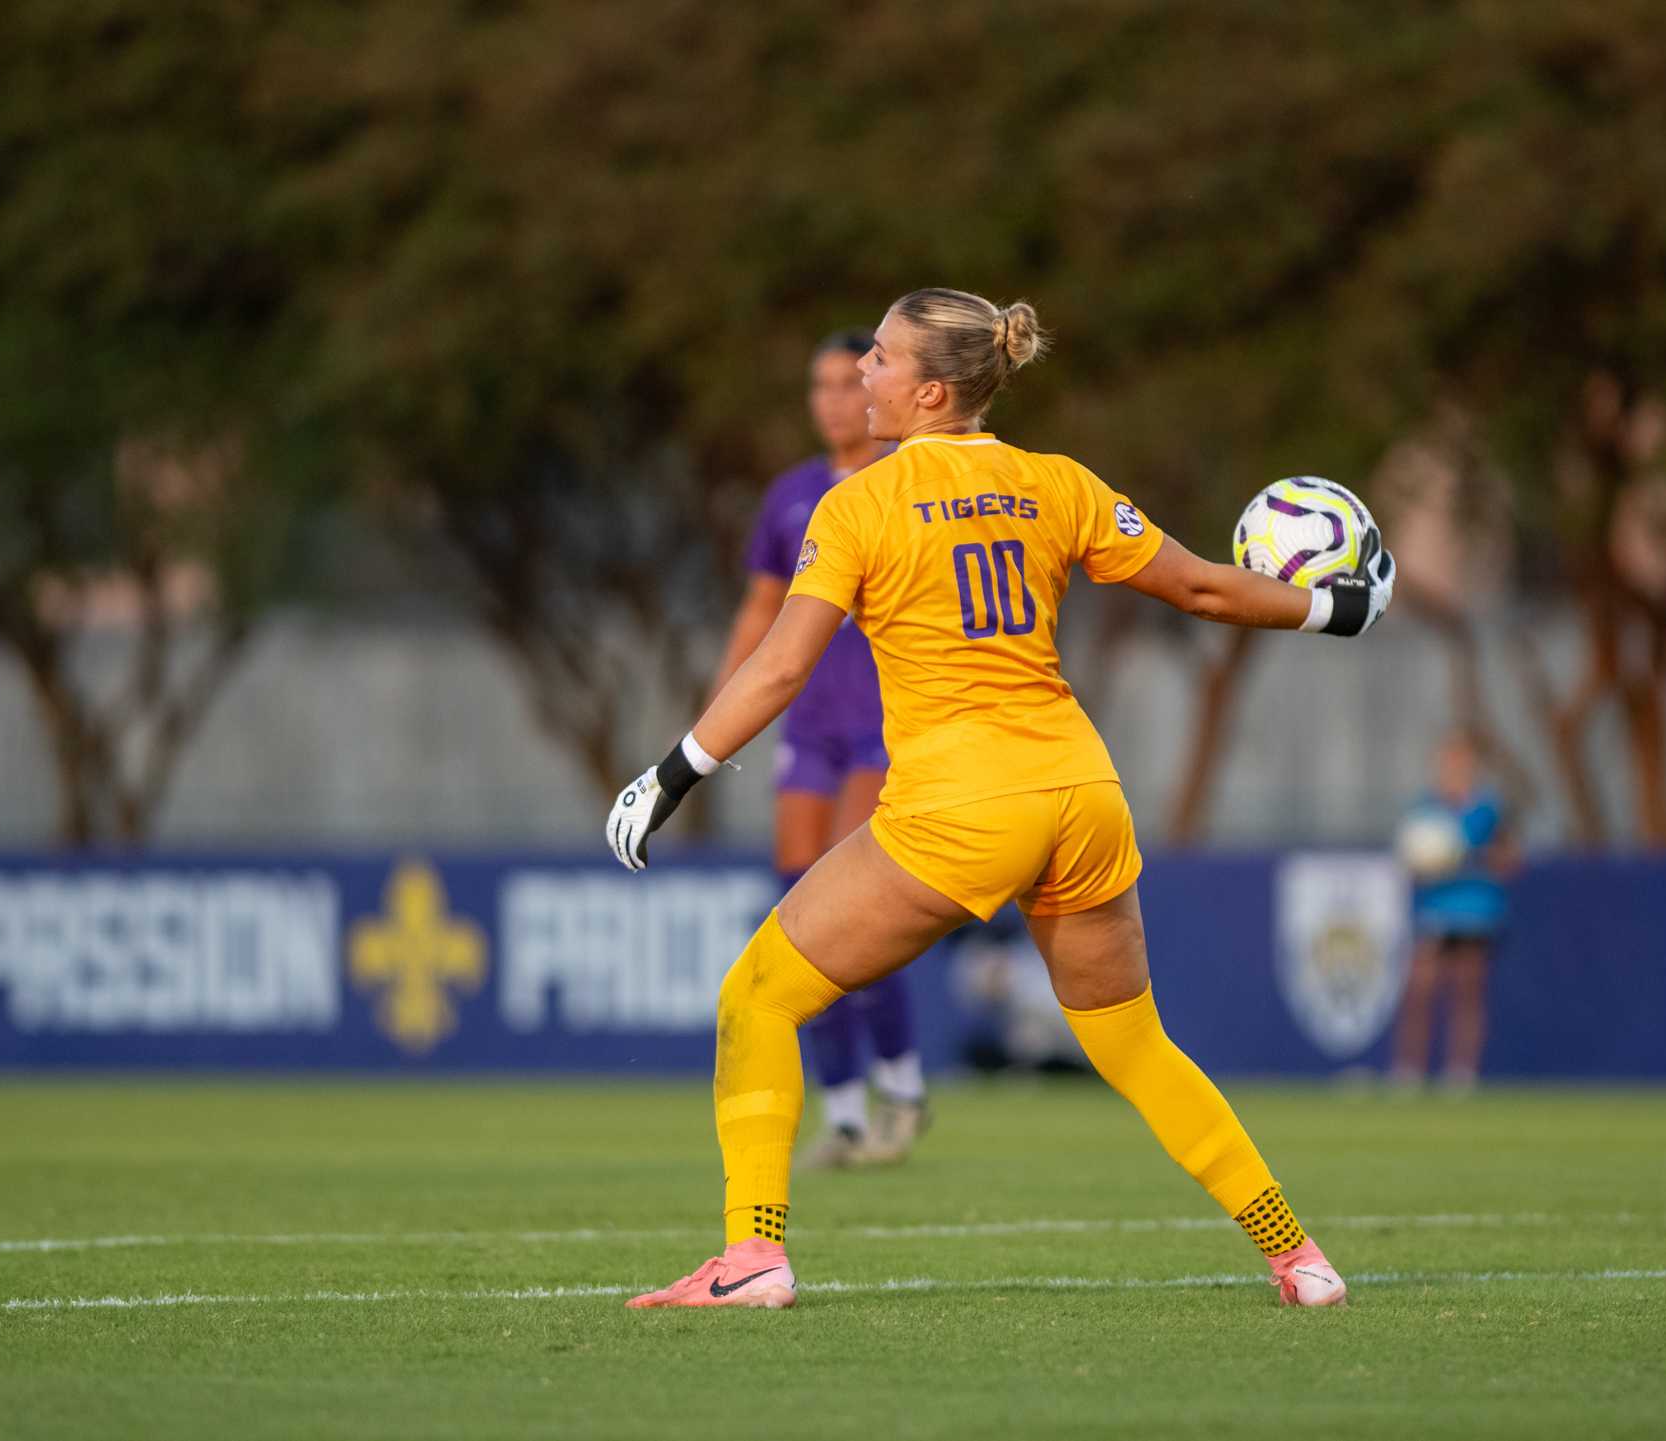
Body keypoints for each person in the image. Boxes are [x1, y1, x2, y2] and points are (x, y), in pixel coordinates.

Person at [607, 286, 1397, 1311]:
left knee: (757, 998)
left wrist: (670, 773)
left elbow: (777, 670)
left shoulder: (859, 501)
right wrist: (1335, 608)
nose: (860, 376)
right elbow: (1204, 586)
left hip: (961, 809)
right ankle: (1300, 1257)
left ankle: (752, 1256)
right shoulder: (1054, 482)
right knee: (1133, 1042)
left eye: (881, 361)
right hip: (1080, 794)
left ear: (933, 392)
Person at [712, 328, 928, 1170]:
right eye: (823, 385)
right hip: (809, 729)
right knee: (800, 908)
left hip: (885, 724)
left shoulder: (907, 482)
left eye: (852, 379)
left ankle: (902, 1085)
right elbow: (760, 613)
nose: (838, 399)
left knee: (859, 908)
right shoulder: (792, 496)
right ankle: (842, 1112)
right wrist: (716, 720)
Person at [1389, 733, 1517, 1092]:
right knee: (1421, 987)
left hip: (1477, 909)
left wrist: (1478, 858)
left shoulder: (1487, 810)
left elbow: (1509, 860)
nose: (1454, 770)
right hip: (1437, 909)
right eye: (1449, 763)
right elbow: (1410, 864)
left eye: (1461, 763)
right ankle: (1409, 1072)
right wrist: (1428, 864)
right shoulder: (1425, 808)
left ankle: (1461, 1073)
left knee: (1468, 989)